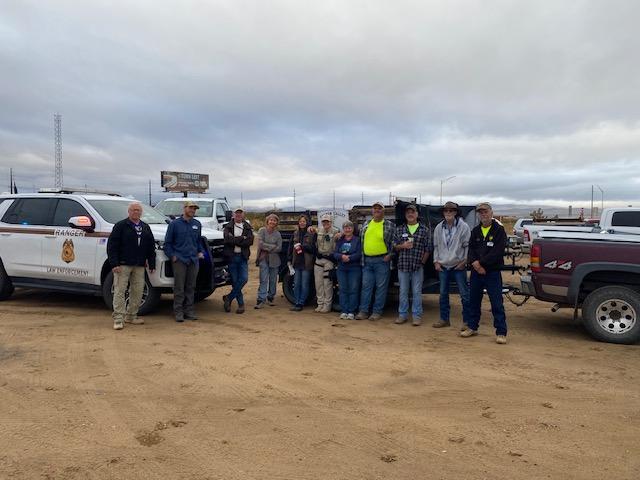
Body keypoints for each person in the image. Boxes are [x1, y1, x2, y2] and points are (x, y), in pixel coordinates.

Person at [461, 202, 509, 344]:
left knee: (496, 303)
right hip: (476, 272)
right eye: (481, 212)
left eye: (486, 212)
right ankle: (472, 327)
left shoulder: (499, 230)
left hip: (492, 272)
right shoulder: (475, 231)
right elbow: (471, 250)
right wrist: (475, 263)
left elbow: (498, 252)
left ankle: (501, 332)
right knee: (474, 300)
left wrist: (481, 264)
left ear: (491, 213)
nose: (483, 215)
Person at [107, 201, 156, 330]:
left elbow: (151, 247)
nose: (136, 212)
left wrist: (152, 263)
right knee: (120, 290)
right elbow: (112, 246)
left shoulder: (145, 227)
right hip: (123, 264)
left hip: (139, 265)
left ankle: (131, 315)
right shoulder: (120, 226)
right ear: (128, 212)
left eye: (138, 210)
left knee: (138, 291)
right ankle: (118, 318)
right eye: (133, 210)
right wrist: (114, 263)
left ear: (141, 212)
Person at [163, 201, 205, 322]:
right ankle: (178, 311)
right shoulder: (174, 224)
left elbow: (198, 241)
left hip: (193, 260)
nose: (193, 210)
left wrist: (200, 251)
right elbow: (167, 243)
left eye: (194, 209)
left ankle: (189, 310)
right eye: (191, 208)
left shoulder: (197, 224)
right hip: (180, 260)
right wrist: (172, 256)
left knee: (191, 287)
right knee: (179, 287)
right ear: (184, 208)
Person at [432, 201, 471, 330]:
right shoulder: (439, 227)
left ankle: (467, 321)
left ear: (455, 212)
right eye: (446, 211)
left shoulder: (463, 227)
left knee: (464, 294)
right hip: (443, 266)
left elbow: (467, 246)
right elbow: (436, 246)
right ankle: (444, 319)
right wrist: (436, 261)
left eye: (451, 211)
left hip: (458, 266)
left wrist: (464, 261)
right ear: (443, 213)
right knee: (443, 294)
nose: (448, 213)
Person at [356, 201, 394, 321]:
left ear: (384, 211)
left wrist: (390, 255)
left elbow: (395, 242)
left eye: (379, 209)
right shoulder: (366, 224)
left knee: (380, 287)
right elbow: (359, 238)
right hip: (366, 260)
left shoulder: (389, 225)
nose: (377, 210)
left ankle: (377, 311)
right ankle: (364, 311)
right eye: (375, 208)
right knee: (366, 286)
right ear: (372, 211)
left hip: (382, 260)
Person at [393, 204, 431, 326]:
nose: (410, 214)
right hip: (403, 266)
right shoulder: (399, 229)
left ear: (417, 214)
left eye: (413, 212)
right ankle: (402, 315)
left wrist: (422, 262)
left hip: (417, 267)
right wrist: (402, 246)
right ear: (405, 215)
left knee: (416, 292)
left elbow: (428, 249)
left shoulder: (424, 230)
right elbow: (394, 246)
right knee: (403, 291)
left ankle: (416, 316)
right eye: (408, 212)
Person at [223, 208, 254, 314]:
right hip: (232, 257)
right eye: (237, 213)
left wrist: (236, 240)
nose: (238, 215)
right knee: (235, 281)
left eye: (240, 213)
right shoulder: (228, 226)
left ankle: (229, 298)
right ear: (233, 215)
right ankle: (241, 305)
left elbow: (250, 241)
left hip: (242, 257)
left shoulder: (248, 227)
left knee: (244, 279)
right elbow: (227, 240)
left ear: (243, 215)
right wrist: (242, 238)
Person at [333, 221, 362, 320]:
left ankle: (352, 311)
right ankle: (344, 310)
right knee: (343, 289)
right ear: (343, 229)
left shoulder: (357, 240)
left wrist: (350, 258)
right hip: (342, 268)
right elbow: (335, 253)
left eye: (349, 227)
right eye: (345, 228)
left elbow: (359, 253)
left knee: (353, 289)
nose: (347, 229)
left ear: (353, 229)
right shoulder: (340, 240)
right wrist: (342, 256)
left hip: (354, 268)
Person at [288, 215, 316, 311]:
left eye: (304, 221)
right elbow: (290, 246)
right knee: (296, 284)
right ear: (298, 223)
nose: (302, 223)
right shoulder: (295, 233)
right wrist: (289, 259)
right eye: (300, 221)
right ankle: (296, 302)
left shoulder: (311, 234)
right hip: (296, 262)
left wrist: (304, 247)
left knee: (305, 284)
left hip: (306, 263)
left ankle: (301, 303)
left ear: (307, 223)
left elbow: (314, 249)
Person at [255, 213, 282, 309]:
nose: (272, 222)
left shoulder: (278, 234)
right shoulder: (262, 230)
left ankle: (270, 297)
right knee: (263, 279)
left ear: (276, 223)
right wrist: (272, 247)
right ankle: (261, 299)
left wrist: (267, 247)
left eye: (274, 220)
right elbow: (260, 244)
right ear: (267, 221)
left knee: (273, 280)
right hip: (263, 258)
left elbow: (279, 247)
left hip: (274, 259)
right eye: (271, 220)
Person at [313, 214, 339, 313]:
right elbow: (311, 230)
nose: (325, 223)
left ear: (331, 222)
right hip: (319, 259)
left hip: (329, 260)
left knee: (327, 284)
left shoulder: (336, 231)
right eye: (324, 221)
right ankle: (320, 303)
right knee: (318, 283)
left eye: (327, 221)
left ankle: (327, 305)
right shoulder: (319, 230)